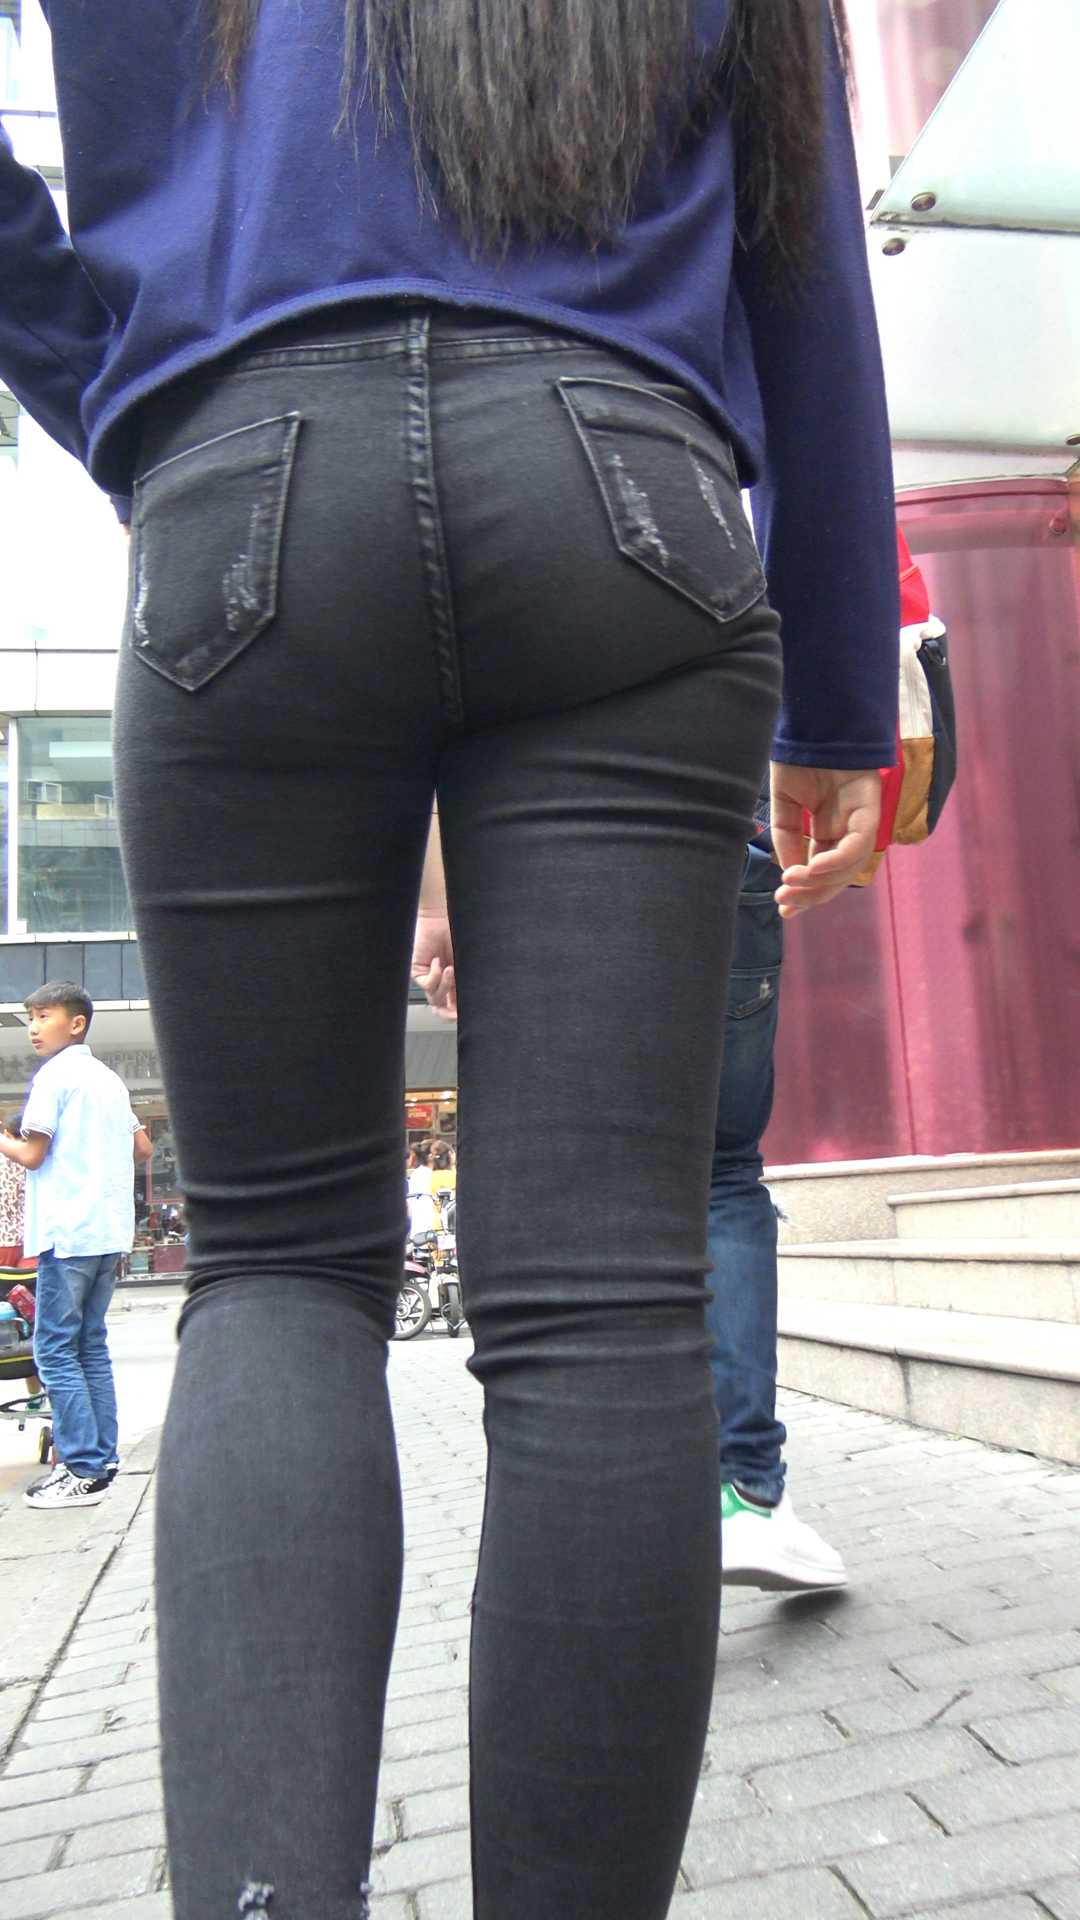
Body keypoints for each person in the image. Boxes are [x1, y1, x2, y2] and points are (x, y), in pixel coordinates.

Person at [1, 3, 897, 1913]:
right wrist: (838, 681)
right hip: (624, 475)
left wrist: (128, 394)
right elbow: (802, 226)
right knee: (604, 1302)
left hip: (245, 467)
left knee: (276, 1272)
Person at [0, 984, 153, 1511]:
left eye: (44, 1016)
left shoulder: (54, 1076)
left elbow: (32, 1154)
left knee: (54, 1349)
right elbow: (143, 1146)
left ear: (76, 1023)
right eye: (31, 1018)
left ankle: (82, 1469)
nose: (34, 1028)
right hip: (108, 1232)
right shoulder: (108, 1079)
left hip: (67, 1231)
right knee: (90, 1346)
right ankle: (102, 1463)